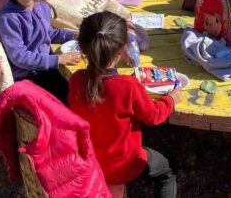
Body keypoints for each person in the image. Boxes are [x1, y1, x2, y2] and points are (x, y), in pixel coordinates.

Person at [69, 11, 182, 198]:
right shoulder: (128, 86)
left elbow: (102, 93)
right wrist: (171, 100)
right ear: (124, 49)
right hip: (124, 164)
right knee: (167, 171)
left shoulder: (76, 81)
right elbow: (154, 116)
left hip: (89, 159)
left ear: (81, 48)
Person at [0, 0, 82, 104]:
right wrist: (58, 59)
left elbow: (49, 34)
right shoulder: (8, 18)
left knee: (77, 90)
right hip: (24, 76)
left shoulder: (42, 7)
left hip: (43, 68)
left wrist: (74, 35)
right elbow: (19, 56)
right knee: (61, 103)